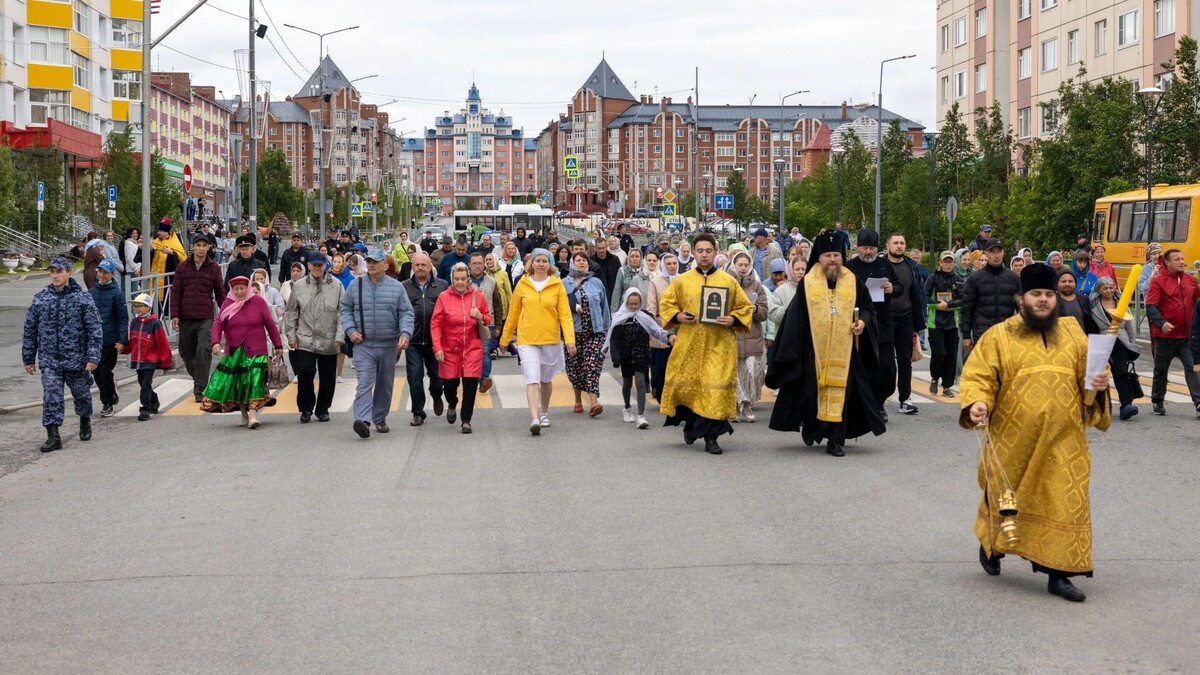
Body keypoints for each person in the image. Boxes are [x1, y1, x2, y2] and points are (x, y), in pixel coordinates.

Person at [961, 264, 1111, 603]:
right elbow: (979, 376)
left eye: (1048, 295)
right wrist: (977, 403)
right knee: (1007, 502)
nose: (1043, 300)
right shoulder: (1000, 336)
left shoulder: (1073, 333)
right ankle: (993, 546)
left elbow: (1092, 377)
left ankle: (1060, 574)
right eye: (1036, 295)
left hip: (1065, 439)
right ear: (1021, 299)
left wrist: (1098, 384)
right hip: (1014, 440)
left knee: (1065, 501)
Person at [766, 234, 886, 457]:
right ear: (819, 258)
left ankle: (835, 440)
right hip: (813, 352)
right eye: (828, 255)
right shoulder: (808, 284)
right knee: (811, 394)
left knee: (843, 394)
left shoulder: (853, 281)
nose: (832, 260)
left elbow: (868, 309)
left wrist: (862, 323)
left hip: (846, 351)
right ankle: (812, 427)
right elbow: (796, 317)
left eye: (836, 255)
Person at [657, 234, 755, 455]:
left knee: (715, 388)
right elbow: (666, 304)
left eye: (708, 251)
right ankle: (691, 427)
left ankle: (711, 438)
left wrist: (733, 319)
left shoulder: (728, 281)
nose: (704, 255)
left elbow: (745, 308)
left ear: (715, 252)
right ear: (694, 252)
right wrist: (678, 316)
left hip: (719, 345)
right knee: (692, 389)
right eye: (699, 251)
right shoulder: (682, 280)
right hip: (689, 345)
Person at [22, 257, 103, 452]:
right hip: (50, 360)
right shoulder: (41, 299)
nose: (55, 275)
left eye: (59, 271)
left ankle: (85, 420)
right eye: (52, 272)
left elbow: (94, 329)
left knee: (82, 395)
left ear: (68, 272)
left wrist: (93, 357)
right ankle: (53, 435)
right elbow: (30, 329)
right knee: (51, 396)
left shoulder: (83, 298)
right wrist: (28, 357)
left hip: (77, 359)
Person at [500, 248, 576, 435]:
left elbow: (565, 315)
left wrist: (569, 340)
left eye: (544, 261)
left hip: (550, 339)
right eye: (537, 261)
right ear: (531, 264)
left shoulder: (557, 284)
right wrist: (505, 338)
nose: (541, 264)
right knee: (532, 379)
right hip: (527, 339)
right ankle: (534, 418)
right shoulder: (523, 284)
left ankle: (544, 412)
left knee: (546, 379)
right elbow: (513, 313)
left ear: (549, 264)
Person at [340, 250, 415, 438]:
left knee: (384, 384)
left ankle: (379, 418)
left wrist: (405, 333)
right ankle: (363, 420)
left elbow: (406, 313)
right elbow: (346, 309)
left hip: (389, 345)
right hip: (363, 344)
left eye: (375, 261)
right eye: (369, 261)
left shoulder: (396, 287)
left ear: (385, 265)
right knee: (364, 382)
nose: (371, 265)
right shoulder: (355, 285)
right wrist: (350, 331)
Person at [201, 276, 283, 428]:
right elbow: (218, 323)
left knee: (254, 381)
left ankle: (252, 415)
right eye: (236, 289)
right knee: (239, 383)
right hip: (235, 351)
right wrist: (216, 342)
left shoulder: (258, 302)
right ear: (232, 290)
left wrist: (278, 345)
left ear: (248, 288)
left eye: (242, 288)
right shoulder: (228, 303)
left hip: (256, 349)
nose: (239, 292)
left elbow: (270, 324)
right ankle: (244, 415)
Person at [845, 229, 901, 418]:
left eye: (871, 248)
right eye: (864, 248)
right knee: (863, 367)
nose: (868, 252)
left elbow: (900, 287)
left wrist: (892, 288)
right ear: (858, 248)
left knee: (887, 368)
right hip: (859, 325)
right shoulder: (849, 267)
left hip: (883, 324)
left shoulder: (885, 264)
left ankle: (880, 401)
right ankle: (865, 405)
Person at [430, 263, 491, 434]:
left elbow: (487, 319)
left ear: (468, 279)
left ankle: (466, 420)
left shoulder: (477, 296)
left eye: (463, 279)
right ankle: (452, 403)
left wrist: (480, 316)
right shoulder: (444, 297)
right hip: (450, 348)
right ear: (452, 279)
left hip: (472, 347)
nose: (460, 282)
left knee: (470, 385)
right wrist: (437, 347)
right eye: (457, 279)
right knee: (449, 386)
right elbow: (436, 324)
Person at [285, 252, 344, 424]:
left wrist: (340, 335)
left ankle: (323, 409)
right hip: (305, 338)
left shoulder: (337, 285)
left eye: (321, 265)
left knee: (327, 376)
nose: (317, 268)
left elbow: (343, 312)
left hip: (329, 338)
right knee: (305, 371)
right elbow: (291, 312)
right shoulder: (300, 286)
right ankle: (306, 408)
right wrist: (291, 334)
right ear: (309, 266)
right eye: (314, 265)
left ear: (326, 265)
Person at [171, 234, 226, 402]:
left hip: (206, 318)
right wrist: (174, 315)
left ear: (208, 247)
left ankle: (200, 389)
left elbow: (220, 293)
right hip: (186, 317)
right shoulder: (182, 267)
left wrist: (226, 315)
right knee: (186, 355)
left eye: (204, 245)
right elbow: (175, 293)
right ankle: (199, 379)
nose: (201, 248)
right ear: (193, 247)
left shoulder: (214, 268)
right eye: (198, 245)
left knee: (203, 351)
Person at [1145, 248, 1200, 416]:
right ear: (1167, 262)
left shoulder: (1190, 280)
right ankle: (1157, 401)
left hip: (1187, 336)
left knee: (1193, 368)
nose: (1182, 262)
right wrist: (1161, 323)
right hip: (1165, 336)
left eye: (1183, 258)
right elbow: (1150, 305)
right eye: (1177, 259)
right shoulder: (1157, 281)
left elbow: (1198, 303)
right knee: (1161, 369)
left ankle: (1198, 402)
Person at [608, 287, 672, 429]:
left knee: (640, 381)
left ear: (640, 303)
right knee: (627, 383)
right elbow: (615, 338)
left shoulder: (645, 316)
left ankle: (641, 415)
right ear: (626, 303)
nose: (633, 306)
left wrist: (668, 337)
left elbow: (656, 330)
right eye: (631, 304)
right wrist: (616, 358)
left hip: (642, 354)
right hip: (625, 356)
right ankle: (627, 408)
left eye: (636, 304)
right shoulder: (620, 318)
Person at [402, 253, 450, 426]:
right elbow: (398, 312)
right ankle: (418, 412)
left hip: (435, 341)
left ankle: (436, 395)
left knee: (437, 378)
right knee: (414, 377)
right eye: (417, 265)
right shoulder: (404, 287)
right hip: (413, 340)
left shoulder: (442, 286)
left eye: (423, 265)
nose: (420, 268)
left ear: (430, 267)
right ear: (412, 267)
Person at [563, 252, 611, 416]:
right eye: (578, 260)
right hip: (573, 334)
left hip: (595, 333)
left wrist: (606, 332)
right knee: (575, 369)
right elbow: (559, 309)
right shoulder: (564, 284)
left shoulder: (596, 283)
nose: (582, 263)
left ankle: (593, 403)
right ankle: (577, 400)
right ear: (572, 263)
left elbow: (605, 307)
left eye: (584, 260)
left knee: (591, 367)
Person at [884, 233, 926, 415]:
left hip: (906, 318)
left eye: (902, 243)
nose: (899, 246)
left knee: (905, 360)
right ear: (888, 246)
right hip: (884, 319)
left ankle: (905, 400)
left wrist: (918, 322)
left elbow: (919, 294)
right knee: (885, 363)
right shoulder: (881, 265)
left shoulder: (912, 266)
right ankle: (880, 399)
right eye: (896, 243)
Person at [1090, 276, 1142, 421]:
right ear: (1099, 290)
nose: (1108, 290)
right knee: (1098, 375)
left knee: (1121, 372)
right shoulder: (1093, 305)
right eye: (1105, 288)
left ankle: (1126, 405)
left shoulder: (1121, 303)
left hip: (1121, 342)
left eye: (1111, 287)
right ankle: (1096, 406)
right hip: (1101, 341)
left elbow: (1129, 326)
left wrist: (1132, 343)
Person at [726, 250, 768, 422]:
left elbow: (765, 312)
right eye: (739, 265)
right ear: (733, 265)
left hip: (752, 335)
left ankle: (748, 404)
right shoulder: (725, 282)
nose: (743, 268)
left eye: (745, 265)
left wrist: (756, 309)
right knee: (734, 373)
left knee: (751, 372)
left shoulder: (757, 286)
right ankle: (736, 405)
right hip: (732, 334)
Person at [959, 238, 1021, 357]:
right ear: (986, 254)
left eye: (999, 251)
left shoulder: (1013, 278)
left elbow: (1021, 308)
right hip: (983, 332)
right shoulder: (975, 279)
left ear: (1003, 253)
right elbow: (967, 308)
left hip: (1007, 332)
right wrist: (966, 335)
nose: (996, 255)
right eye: (992, 252)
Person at [89, 259, 128, 418]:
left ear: (112, 274)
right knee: (96, 373)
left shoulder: (117, 293)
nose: (102, 275)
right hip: (93, 341)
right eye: (100, 271)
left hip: (110, 340)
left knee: (104, 372)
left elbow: (123, 318)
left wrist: (122, 340)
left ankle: (108, 402)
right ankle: (111, 391)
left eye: (105, 272)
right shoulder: (91, 292)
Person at [126, 293, 173, 421]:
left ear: (148, 307)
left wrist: (165, 361)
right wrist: (124, 349)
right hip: (138, 360)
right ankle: (154, 400)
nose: (137, 309)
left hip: (150, 360)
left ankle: (145, 408)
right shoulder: (134, 323)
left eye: (140, 306)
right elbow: (132, 342)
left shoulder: (155, 323)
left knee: (146, 383)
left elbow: (162, 343)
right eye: (135, 306)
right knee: (142, 382)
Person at [924, 251, 963, 397]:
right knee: (939, 354)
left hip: (952, 323)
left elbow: (963, 299)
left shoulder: (958, 279)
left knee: (951, 355)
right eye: (945, 261)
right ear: (940, 262)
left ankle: (947, 385)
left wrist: (949, 304)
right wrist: (937, 305)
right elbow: (925, 297)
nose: (948, 264)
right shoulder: (932, 278)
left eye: (950, 261)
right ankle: (935, 378)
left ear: (954, 263)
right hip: (935, 323)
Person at [645, 252, 678, 401]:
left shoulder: (682, 280)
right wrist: (651, 325)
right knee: (660, 367)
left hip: (680, 329)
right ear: (663, 265)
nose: (672, 266)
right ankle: (659, 391)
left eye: (674, 263)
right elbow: (651, 305)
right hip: (661, 328)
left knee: (677, 366)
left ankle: (673, 397)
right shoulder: (655, 282)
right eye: (668, 264)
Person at [150, 218, 186, 303]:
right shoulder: (156, 240)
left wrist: (171, 253)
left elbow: (181, 257)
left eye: (161, 231)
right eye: (158, 231)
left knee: (168, 298)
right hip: (155, 275)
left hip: (168, 277)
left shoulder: (175, 241)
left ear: (167, 232)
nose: (159, 233)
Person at [484, 253, 512, 356]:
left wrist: (510, 307)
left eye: (490, 259)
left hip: (502, 306)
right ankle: (493, 349)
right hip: (489, 305)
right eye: (486, 260)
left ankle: (503, 347)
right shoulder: (483, 274)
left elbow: (508, 292)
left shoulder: (502, 274)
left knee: (499, 328)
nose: (488, 262)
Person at [1055, 268, 1098, 335]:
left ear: (1075, 283)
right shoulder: (1052, 300)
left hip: (1083, 341)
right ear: (1057, 283)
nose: (1067, 284)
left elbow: (1090, 322)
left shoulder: (1084, 299)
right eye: (1063, 281)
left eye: (1070, 281)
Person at [611, 248, 650, 313]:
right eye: (632, 256)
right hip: (625, 306)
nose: (634, 259)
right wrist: (614, 312)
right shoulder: (622, 271)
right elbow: (617, 292)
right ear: (628, 258)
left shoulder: (645, 271)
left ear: (641, 258)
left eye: (637, 256)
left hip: (642, 307)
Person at [590, 237, 622, 302]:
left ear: (606, 247)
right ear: (595, 248)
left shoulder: (614, 260)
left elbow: (619, 278)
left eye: (603, 248)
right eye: (599, 248)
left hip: (612, 293)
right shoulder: (590, 261)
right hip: (596, 295)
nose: (601, 250)